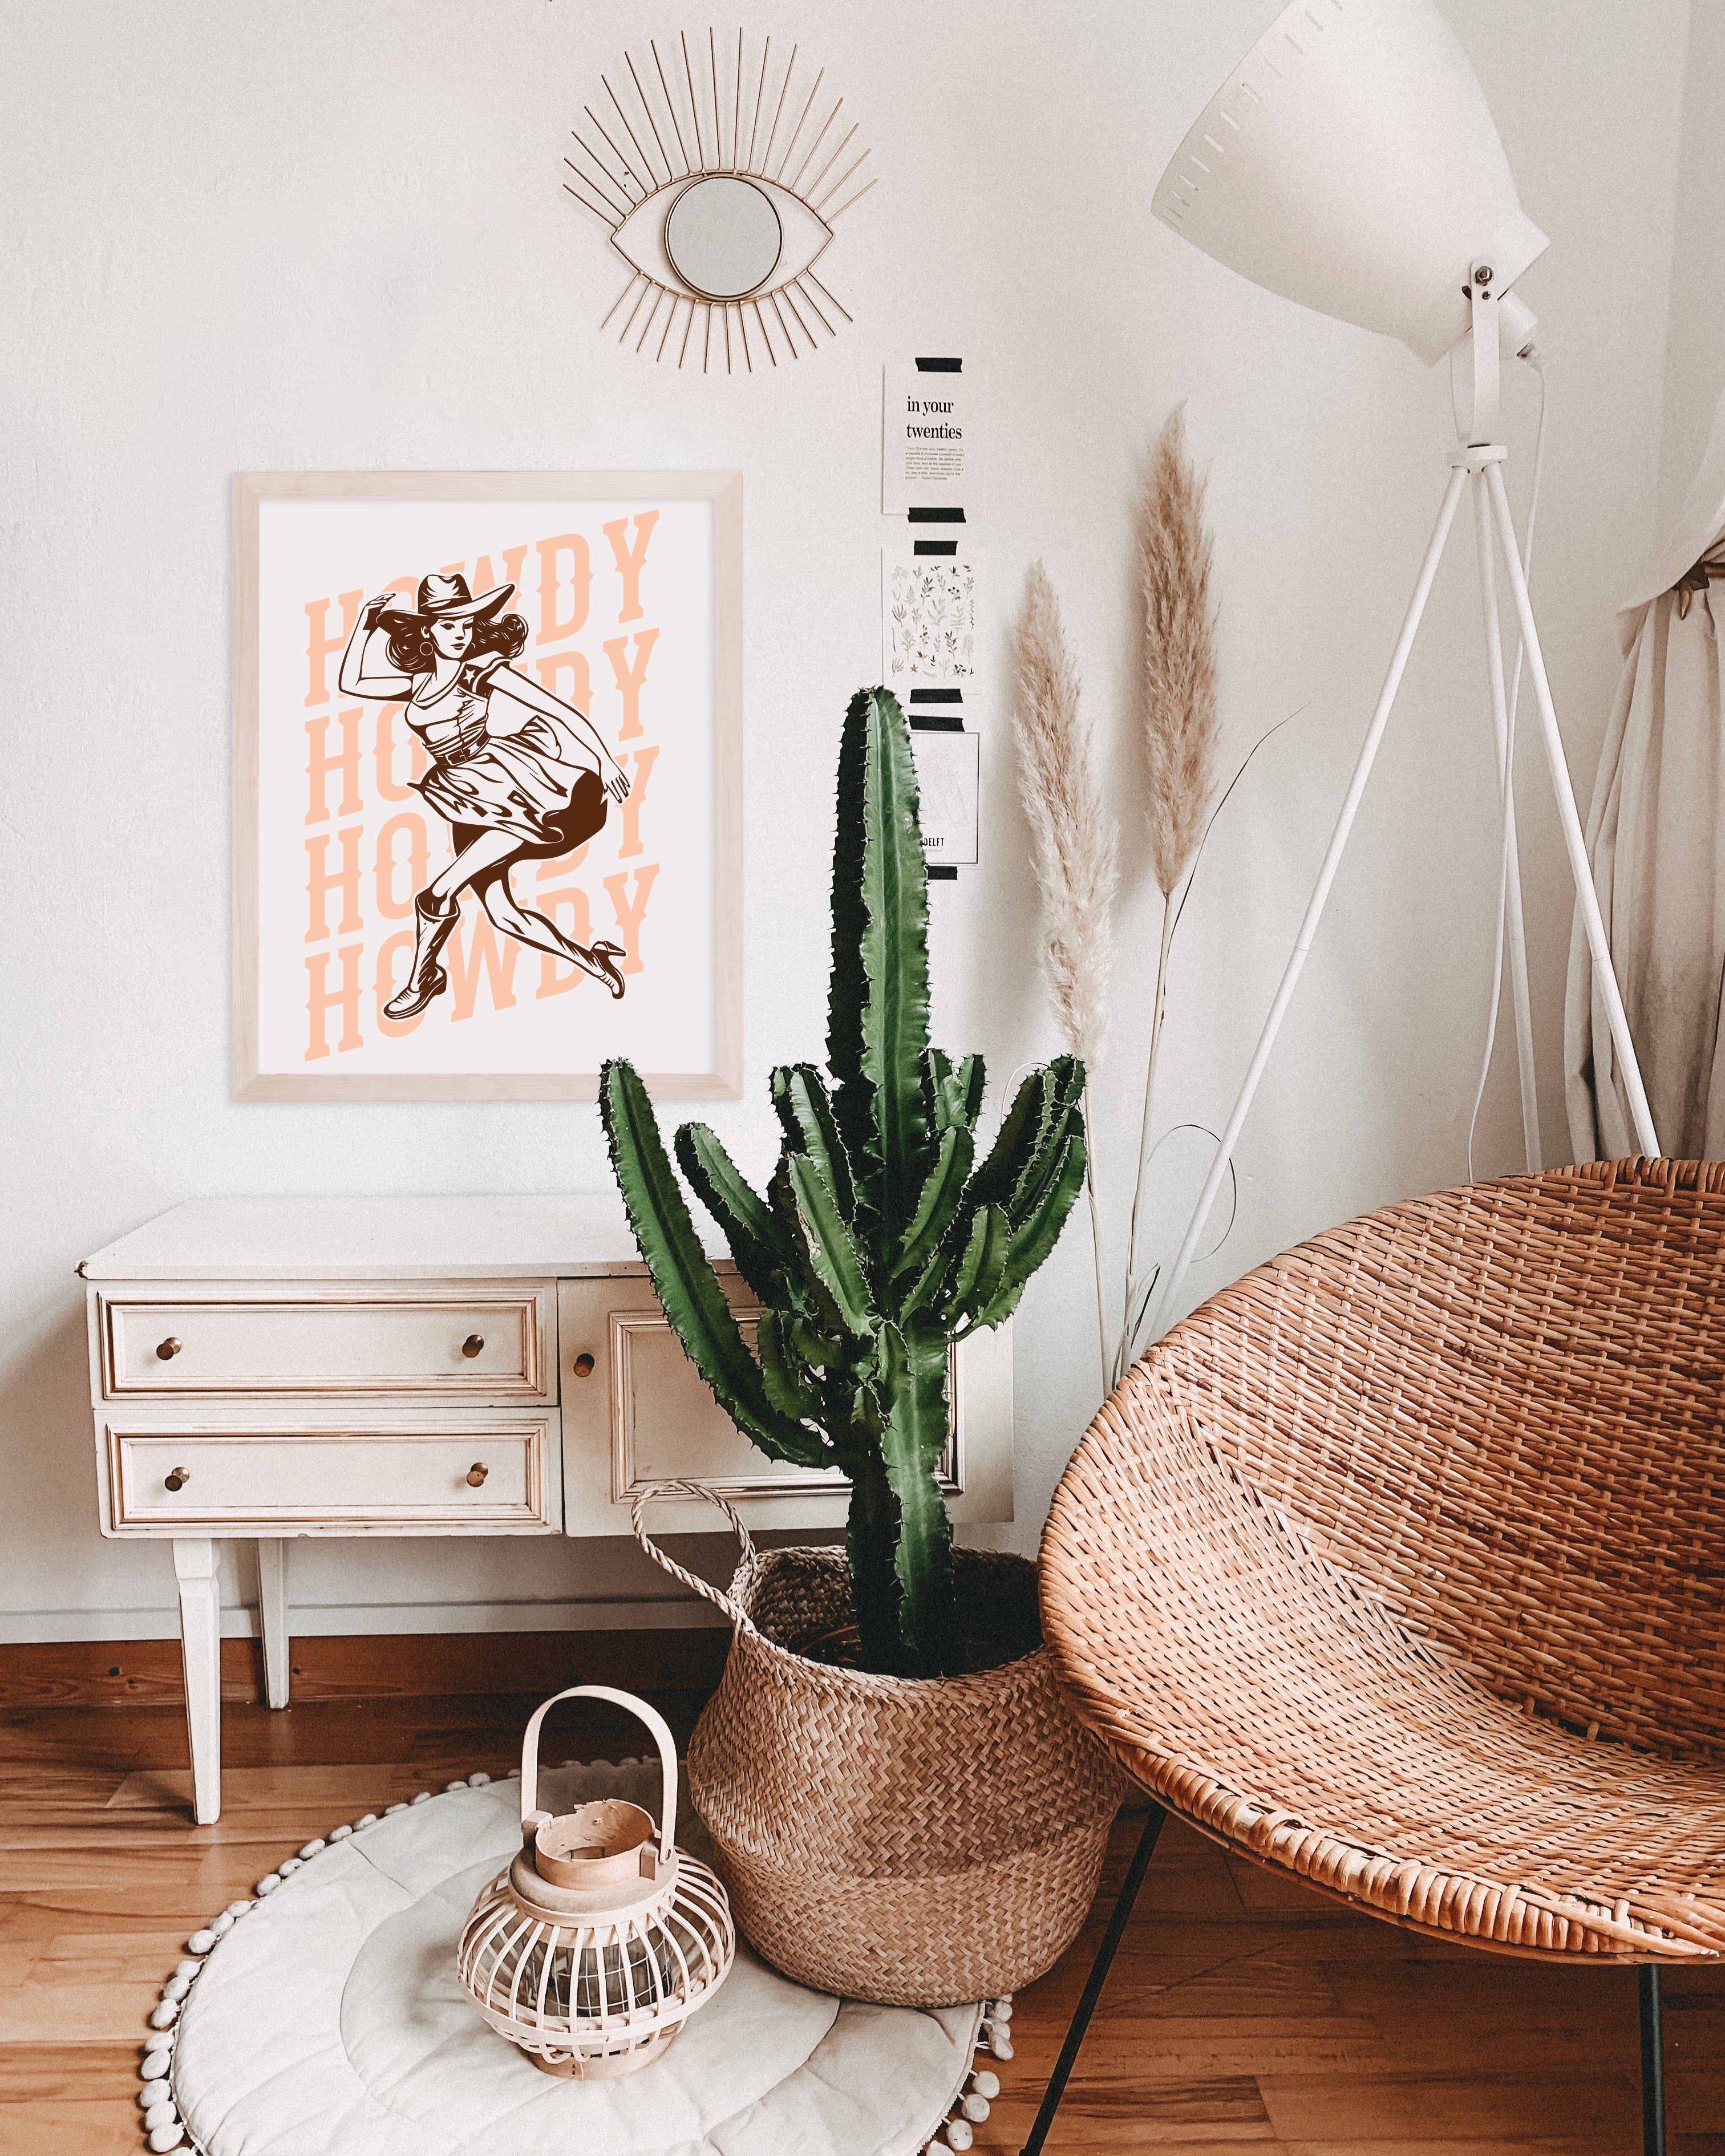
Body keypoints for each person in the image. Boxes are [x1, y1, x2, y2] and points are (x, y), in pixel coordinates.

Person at [338, 572, 632, 1018]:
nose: (460, 634)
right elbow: (352, 683)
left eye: (467, 624)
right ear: (427, 630)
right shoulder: (414, 683)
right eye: (447, 624)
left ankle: (423, 981)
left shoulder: (481, 671)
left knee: (435, 895)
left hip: (510, 791)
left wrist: (606, 761)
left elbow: (558, 709)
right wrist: (364, 623)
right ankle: (594, 961)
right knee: (505, 917)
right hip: (464, 799)